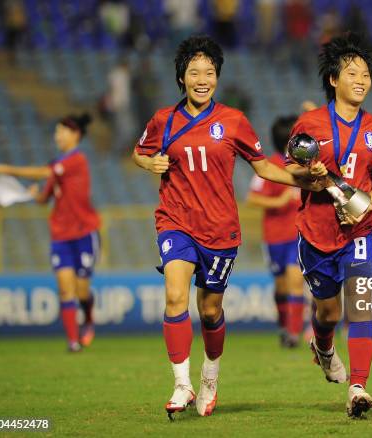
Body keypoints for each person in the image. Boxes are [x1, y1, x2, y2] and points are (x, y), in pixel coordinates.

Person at [132, 35, 322, 419]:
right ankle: (181, 383)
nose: (202, 78)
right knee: (174, 296)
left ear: (217, 76)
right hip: (176, 221)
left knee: (210, 309)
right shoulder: (163, 120)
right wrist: (148, 163)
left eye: (209, 71)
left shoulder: (233, 121)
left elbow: (265, 168)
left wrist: (305, 180)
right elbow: (140, 152)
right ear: (181, 77)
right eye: (194, 71)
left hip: (220, 228)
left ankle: (209, 376)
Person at [285, 32, 372, 417]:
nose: (362, 80)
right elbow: (290, 171)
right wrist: (310, 175)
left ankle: (358, 387)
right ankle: (324, 347)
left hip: (359, 234)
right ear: (334, 79)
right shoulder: (310, 123)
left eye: (366, 74)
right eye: (352, 73)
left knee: (361, 307)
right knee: (328, 313)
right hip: (315, 233)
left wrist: (364, 208)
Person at [0, 114, 100, 352]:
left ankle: (88, 318)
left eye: (61, 131)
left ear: (75, 135)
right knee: (64, 288)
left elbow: (44, 174)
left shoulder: (76, 160)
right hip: (60, 235)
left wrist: (4, 169)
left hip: (83, 233)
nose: (57, 136)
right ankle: (73, 341)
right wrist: (31, 195)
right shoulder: (57, 167)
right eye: (56, 131)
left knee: (81, 290)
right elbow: (45, 197)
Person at [247, 115, 305, 348]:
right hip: (274, 237)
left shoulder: (305, 165)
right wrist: (280, 201)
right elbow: (252, 198)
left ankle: (294, 334)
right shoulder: (269, 165)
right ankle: (284, 325)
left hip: (298, 235)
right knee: (281, 285)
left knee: (295, 281)